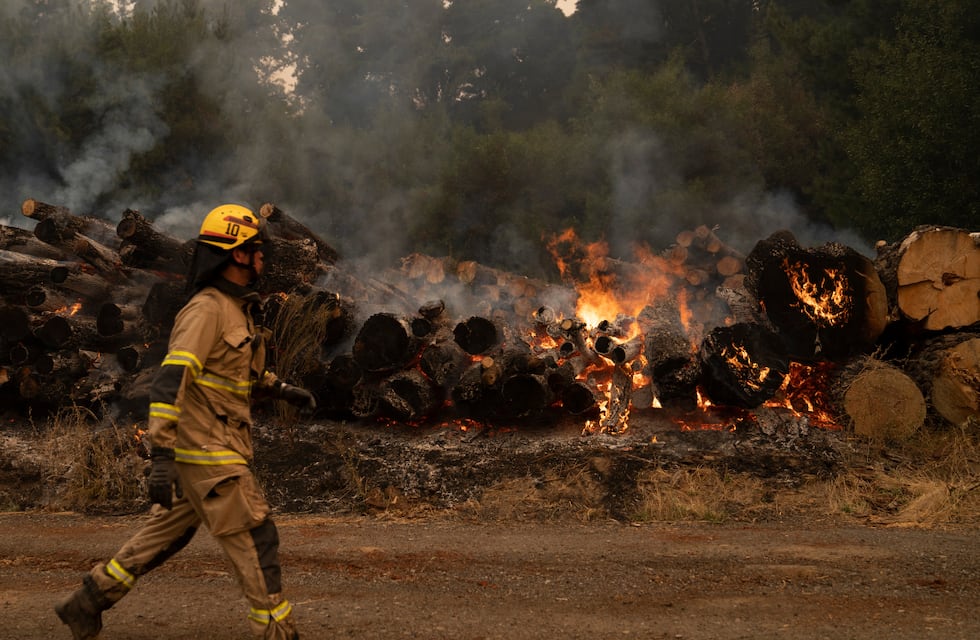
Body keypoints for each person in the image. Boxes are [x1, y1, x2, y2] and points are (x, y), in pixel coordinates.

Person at [54, 204, 317, 640]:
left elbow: (236, 372)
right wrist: (161, 455)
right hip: (208, 451)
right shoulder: (206, 310)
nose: (263, 258)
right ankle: (277, 630)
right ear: (237, 254)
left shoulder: (237, 309)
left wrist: (280, 387)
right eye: (257, 250)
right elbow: (169, 382)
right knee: (256, 537)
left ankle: (88, 599)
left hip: (213, 446)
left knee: (166, 535)